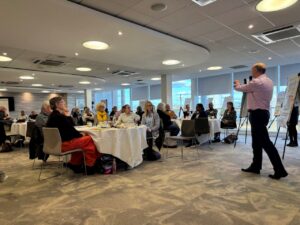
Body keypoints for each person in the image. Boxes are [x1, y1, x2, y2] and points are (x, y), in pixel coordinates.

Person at [234, 62, 288, 179]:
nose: (251, 72)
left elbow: (239, 88)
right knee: (256, 143)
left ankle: (280, 170)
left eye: (252, 70)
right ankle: (256, 166)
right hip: (263, 113)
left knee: (266, 143)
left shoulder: (257, 82)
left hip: (257, 114)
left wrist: (237, 84)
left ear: (257, 71)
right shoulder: (269, 81)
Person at [46, 96, 100, 175]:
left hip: (54, 145)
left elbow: (68, 130)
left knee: (83, 143)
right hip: (62, 145)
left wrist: (79, 135)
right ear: (57, 105)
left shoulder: (52, 116)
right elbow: (70, 130)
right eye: (63, 102)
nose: (65, 104)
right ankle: (88, 166)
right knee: (90, 139)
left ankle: (76, 164)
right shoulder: (59, 117)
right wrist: (80, 135)